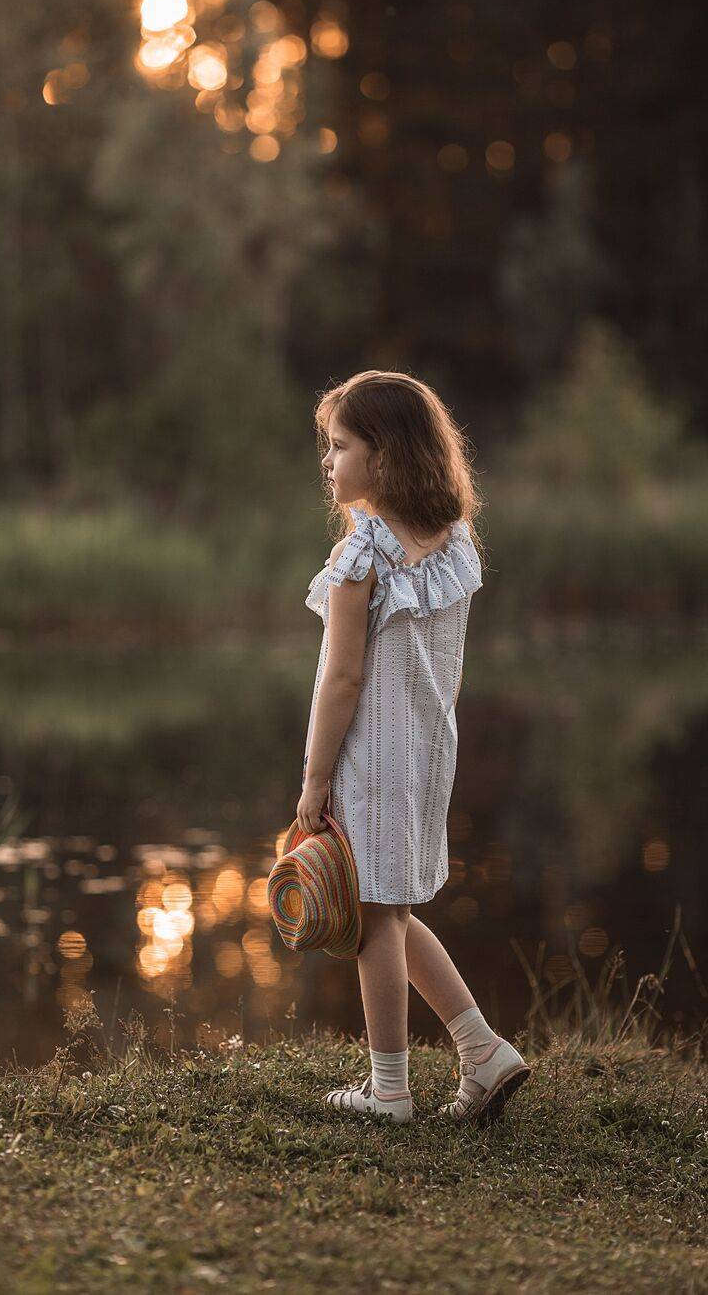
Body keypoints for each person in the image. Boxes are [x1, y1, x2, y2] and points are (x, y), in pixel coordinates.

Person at [299, 371, 532, 1125]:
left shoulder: (361, 556)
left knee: (373, 921)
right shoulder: (452, 541)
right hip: (430, 752)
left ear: (386, 455)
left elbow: (340, 680)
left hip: (372, 757)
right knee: (389, 911)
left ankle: (390, 1090)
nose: (328, 464)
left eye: (341, 447)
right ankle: (481, 1049)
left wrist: (314, 780)